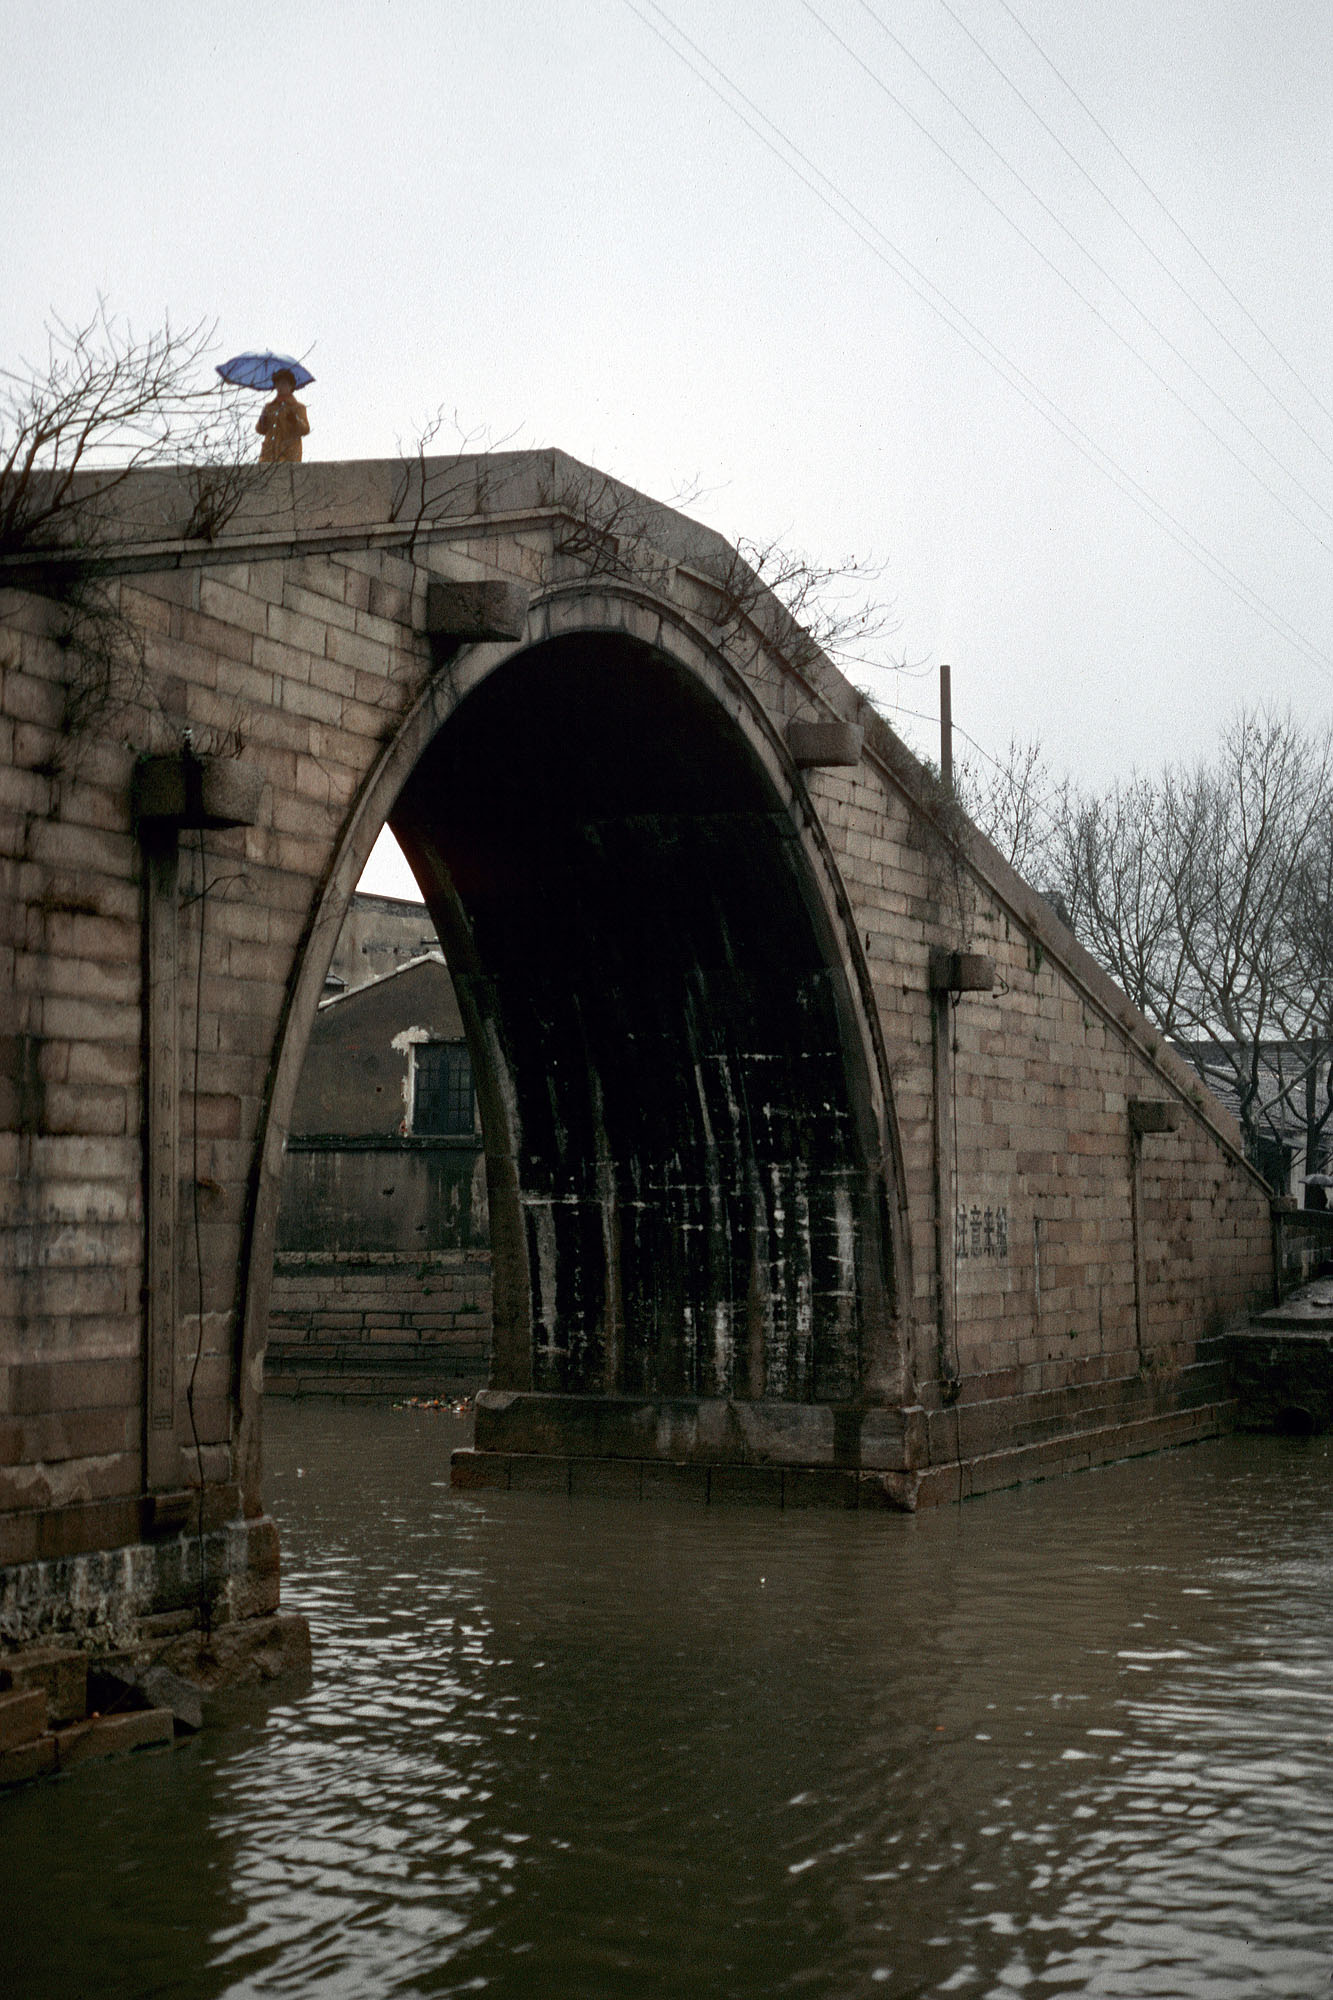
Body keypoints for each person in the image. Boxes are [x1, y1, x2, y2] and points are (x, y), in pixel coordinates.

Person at [256, 368, 310, 463]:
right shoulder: (269, 407)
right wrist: (262, 421)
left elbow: (305, 430)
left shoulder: (298, 407)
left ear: (291, 386)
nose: (280, 387)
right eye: (278, 383)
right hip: (268, 455)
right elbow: (260, 430)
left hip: (289, 455)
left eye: (284, 383)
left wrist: (295, 421)